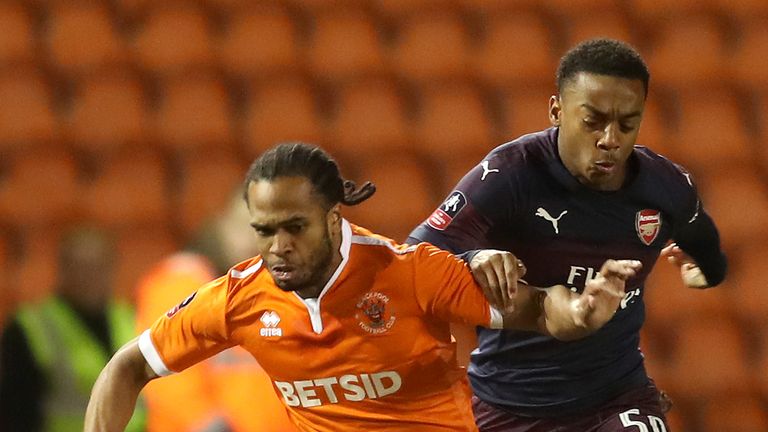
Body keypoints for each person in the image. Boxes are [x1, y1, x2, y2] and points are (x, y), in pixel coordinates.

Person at [85, 142, 641, 432]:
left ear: (332, 220)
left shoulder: (411, 273)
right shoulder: (238, 299)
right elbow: (125, 368)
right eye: (265, 231)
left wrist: (585, 311)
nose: (278, 246)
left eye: (294, 228)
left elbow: (541, 310)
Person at [408, 38, 728, 431]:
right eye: (593, 122)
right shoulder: (509, 174)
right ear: (556, 110)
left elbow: (705, 241)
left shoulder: (666, 187)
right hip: (506, 401)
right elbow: (415, 255)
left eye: (627, 124)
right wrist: (470, 259)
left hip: (616, 398)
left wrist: (708, 272)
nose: (611, 139)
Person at [135, 191, 295, 431]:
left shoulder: (281, 294)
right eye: (248, 226)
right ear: (221, 223)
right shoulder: (182, 282)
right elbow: (164, 374)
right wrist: (208, 424)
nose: (254, 240)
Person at [0, 226, 146, 432]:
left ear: (112, 267)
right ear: (62, 269)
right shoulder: (29, 328)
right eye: (80, 267)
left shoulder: (134, 319)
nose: (88, 277)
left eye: (97, 267)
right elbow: (15, 410)